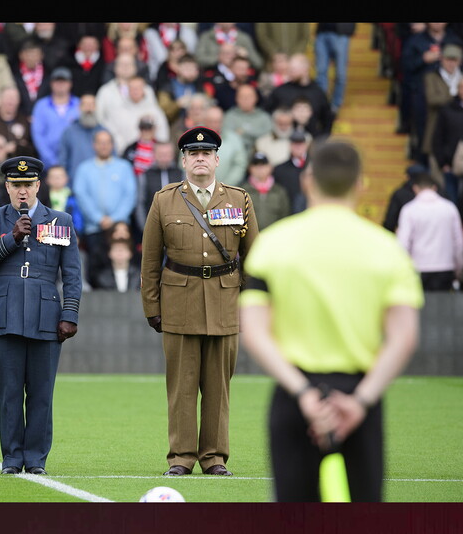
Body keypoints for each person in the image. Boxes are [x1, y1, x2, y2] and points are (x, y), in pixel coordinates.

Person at [238, 139, 424, 502]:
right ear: (360, 184)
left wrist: (303, 393)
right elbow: (404, 337)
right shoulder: (388, 249)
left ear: (307, 181)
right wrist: (361, 401)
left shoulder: (272, 244)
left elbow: (255, 333)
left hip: (294, 395)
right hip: (360, 395)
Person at [141, 126, 259, 477]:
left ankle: (214, 458)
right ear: (184, 161)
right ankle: (180, 458)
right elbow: (150, 260)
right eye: (193, 154)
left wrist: (252, 306)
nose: (200, 158)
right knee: (181, 388)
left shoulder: (239, 199)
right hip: (179, 301)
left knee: (218, 388)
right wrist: (152, 307)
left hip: (225, 301)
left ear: (217, 160)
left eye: (206, 153)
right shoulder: (164, 199)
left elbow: (255, 259)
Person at [0, 156, 82, 475]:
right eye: (16, 185)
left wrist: (70, 313)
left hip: (46, 315)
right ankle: (11, 458)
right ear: (7, 187)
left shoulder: (60, 220)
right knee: (9, 393)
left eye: (28, 184)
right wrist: (12, 237)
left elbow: (72, 274)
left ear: (38, 186)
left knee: (41, 393)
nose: (23, 191)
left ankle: (35, 460)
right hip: (4, 314)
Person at [72, 130, 137, 288]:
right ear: (94, 145)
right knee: (96, 270)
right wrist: (98, 218)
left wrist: (115, 219)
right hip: (94, 228)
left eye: (107, 142)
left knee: (124, 268)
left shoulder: (123, 167)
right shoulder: (84, 168)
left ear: (112, 145)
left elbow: (130, 194)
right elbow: (81, 194)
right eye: (100, 142)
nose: (104, 146)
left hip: (120, 228)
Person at [395, 172, 463, 291]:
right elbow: (459, 243)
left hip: (417, 267)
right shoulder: (449, 208)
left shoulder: (409, 210)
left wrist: (402, 269)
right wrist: (459, 269)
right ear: (434, 188)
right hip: (445, 267)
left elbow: (403, 243)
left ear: (415, 188)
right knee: (443, 303)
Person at [100, 75, 170, 157]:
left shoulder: (155, 111)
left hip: (151, 157)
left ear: (144, 89)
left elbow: (163, 136)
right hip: (125, 155)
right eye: (132, 88)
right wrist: (123, 149)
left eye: (138, 88)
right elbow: (113, 133)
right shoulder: (117, 110)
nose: (135, 91)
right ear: (127, 90)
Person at [264, 53, 334, 136]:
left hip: (312, 138)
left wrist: (322, 137)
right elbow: (266, 112)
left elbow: (327, 118)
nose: (289, 72)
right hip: (285, 138)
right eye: (289, 69)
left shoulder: (317, 92)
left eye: (293, 69)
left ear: (305, 69)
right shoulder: (280, 90)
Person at [421, 44, 463, 170]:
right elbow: (432, 99)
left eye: (454, 60)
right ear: (442, 60)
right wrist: (456, 97)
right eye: (448, 59)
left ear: (460, 61)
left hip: (460, 133)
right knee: (436, 171)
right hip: (437, 130)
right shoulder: (431, 77)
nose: (451, 63)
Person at [430, 74, 463, 204]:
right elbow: (437, 138)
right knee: (451, 201)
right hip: (450, 167)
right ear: (458, 90)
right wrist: (443, 163)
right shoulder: (447, 110)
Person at [31, 67, 80, 171]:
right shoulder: (41, 106)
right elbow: (38, 135)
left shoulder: (79, 105)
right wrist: (52, 162)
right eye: (57, 81)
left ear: (70, 84)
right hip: (47, 165)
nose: (60, 85)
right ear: (51, 84)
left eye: (64, 81)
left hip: (74, 163)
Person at [0, 86, 36, 159]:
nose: (11, 101)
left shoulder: (24, 120)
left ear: (19, 101)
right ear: (0, 99)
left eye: (14, 98)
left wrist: (17, 147)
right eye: (7, 97)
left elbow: (31, 146)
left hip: (19, 161)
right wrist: (1, 148)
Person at [240, 151, 290, 230]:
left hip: (274, 235)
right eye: (256, 165)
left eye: (263, 164)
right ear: (250, 168)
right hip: (250, 236)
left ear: (270, 167)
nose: (259, 168)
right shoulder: (242, 192)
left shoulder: (279, 191)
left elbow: (285, 217)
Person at [313, 23, 356, 114]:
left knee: (340, 74)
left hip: (341, 34)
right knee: (321, 72)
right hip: (322, 32)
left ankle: (335, 105)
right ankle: (321, 104)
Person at [202, 105, 248, 188]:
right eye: (211, 121)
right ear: (205, 121)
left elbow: (240, 165)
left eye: (218, 121)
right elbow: (185, 164)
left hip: (228, 189)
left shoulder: (234, 139)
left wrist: (225, 186)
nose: (214, 125)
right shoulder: (193, 138)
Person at [223, 83, 273, 156]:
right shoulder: (229, 116)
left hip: (260, 154)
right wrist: (255, 135)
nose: (246, 99)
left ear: (256, 98)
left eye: (249, 96)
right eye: (242, 97)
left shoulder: (264, 117)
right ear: (236, 98)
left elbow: (268, 138)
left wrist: (244, 132)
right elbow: (227, 138)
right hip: (235, 154)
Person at [195, 23, 264, 72]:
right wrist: (218, 58)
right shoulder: (206, 37)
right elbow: (198, 60)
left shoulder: (243, 38)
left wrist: (247, 55)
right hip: (214, 75)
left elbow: (259, 63)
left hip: (239, 77)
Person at [273, 130, 312, 214]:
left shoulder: (314, 167)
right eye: (295, 144)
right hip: (288, 212)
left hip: (311, 211)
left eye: (300, 143)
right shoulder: (279, 170)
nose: (298, 147)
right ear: (290, 146)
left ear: (306, 145)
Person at [382, 163, 428, 233]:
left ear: (407, 177)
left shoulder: (399, 194)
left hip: (406, 235)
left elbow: (390, 220)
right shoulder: (435, 193)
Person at [63, 34, 107, 98]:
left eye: (91, 44)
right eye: (85, 44)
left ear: (98, 46)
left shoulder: (103, 63)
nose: (88, 47)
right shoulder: (69, 63)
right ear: (79, 45)